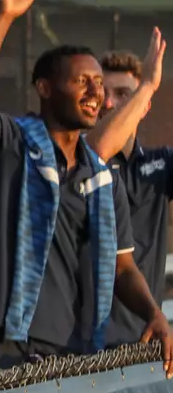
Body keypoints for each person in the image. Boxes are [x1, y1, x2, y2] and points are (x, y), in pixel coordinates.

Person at [0, 0, 173, 369]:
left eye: (99, 83)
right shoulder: (12, 142)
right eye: (81, 82)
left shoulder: (102, 176)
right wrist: (4, 17)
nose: (95, 92)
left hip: (70, 351)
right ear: (44, 88)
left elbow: (123, 267)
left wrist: (154, 313)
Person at [86, 32, 173, 345]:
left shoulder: (161, 164)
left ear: (143, 105)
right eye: (102, 93)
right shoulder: (77, 162)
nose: (108, 102)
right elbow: (98, 151)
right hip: (80, 344)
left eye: (123, 94)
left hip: (145, 336)